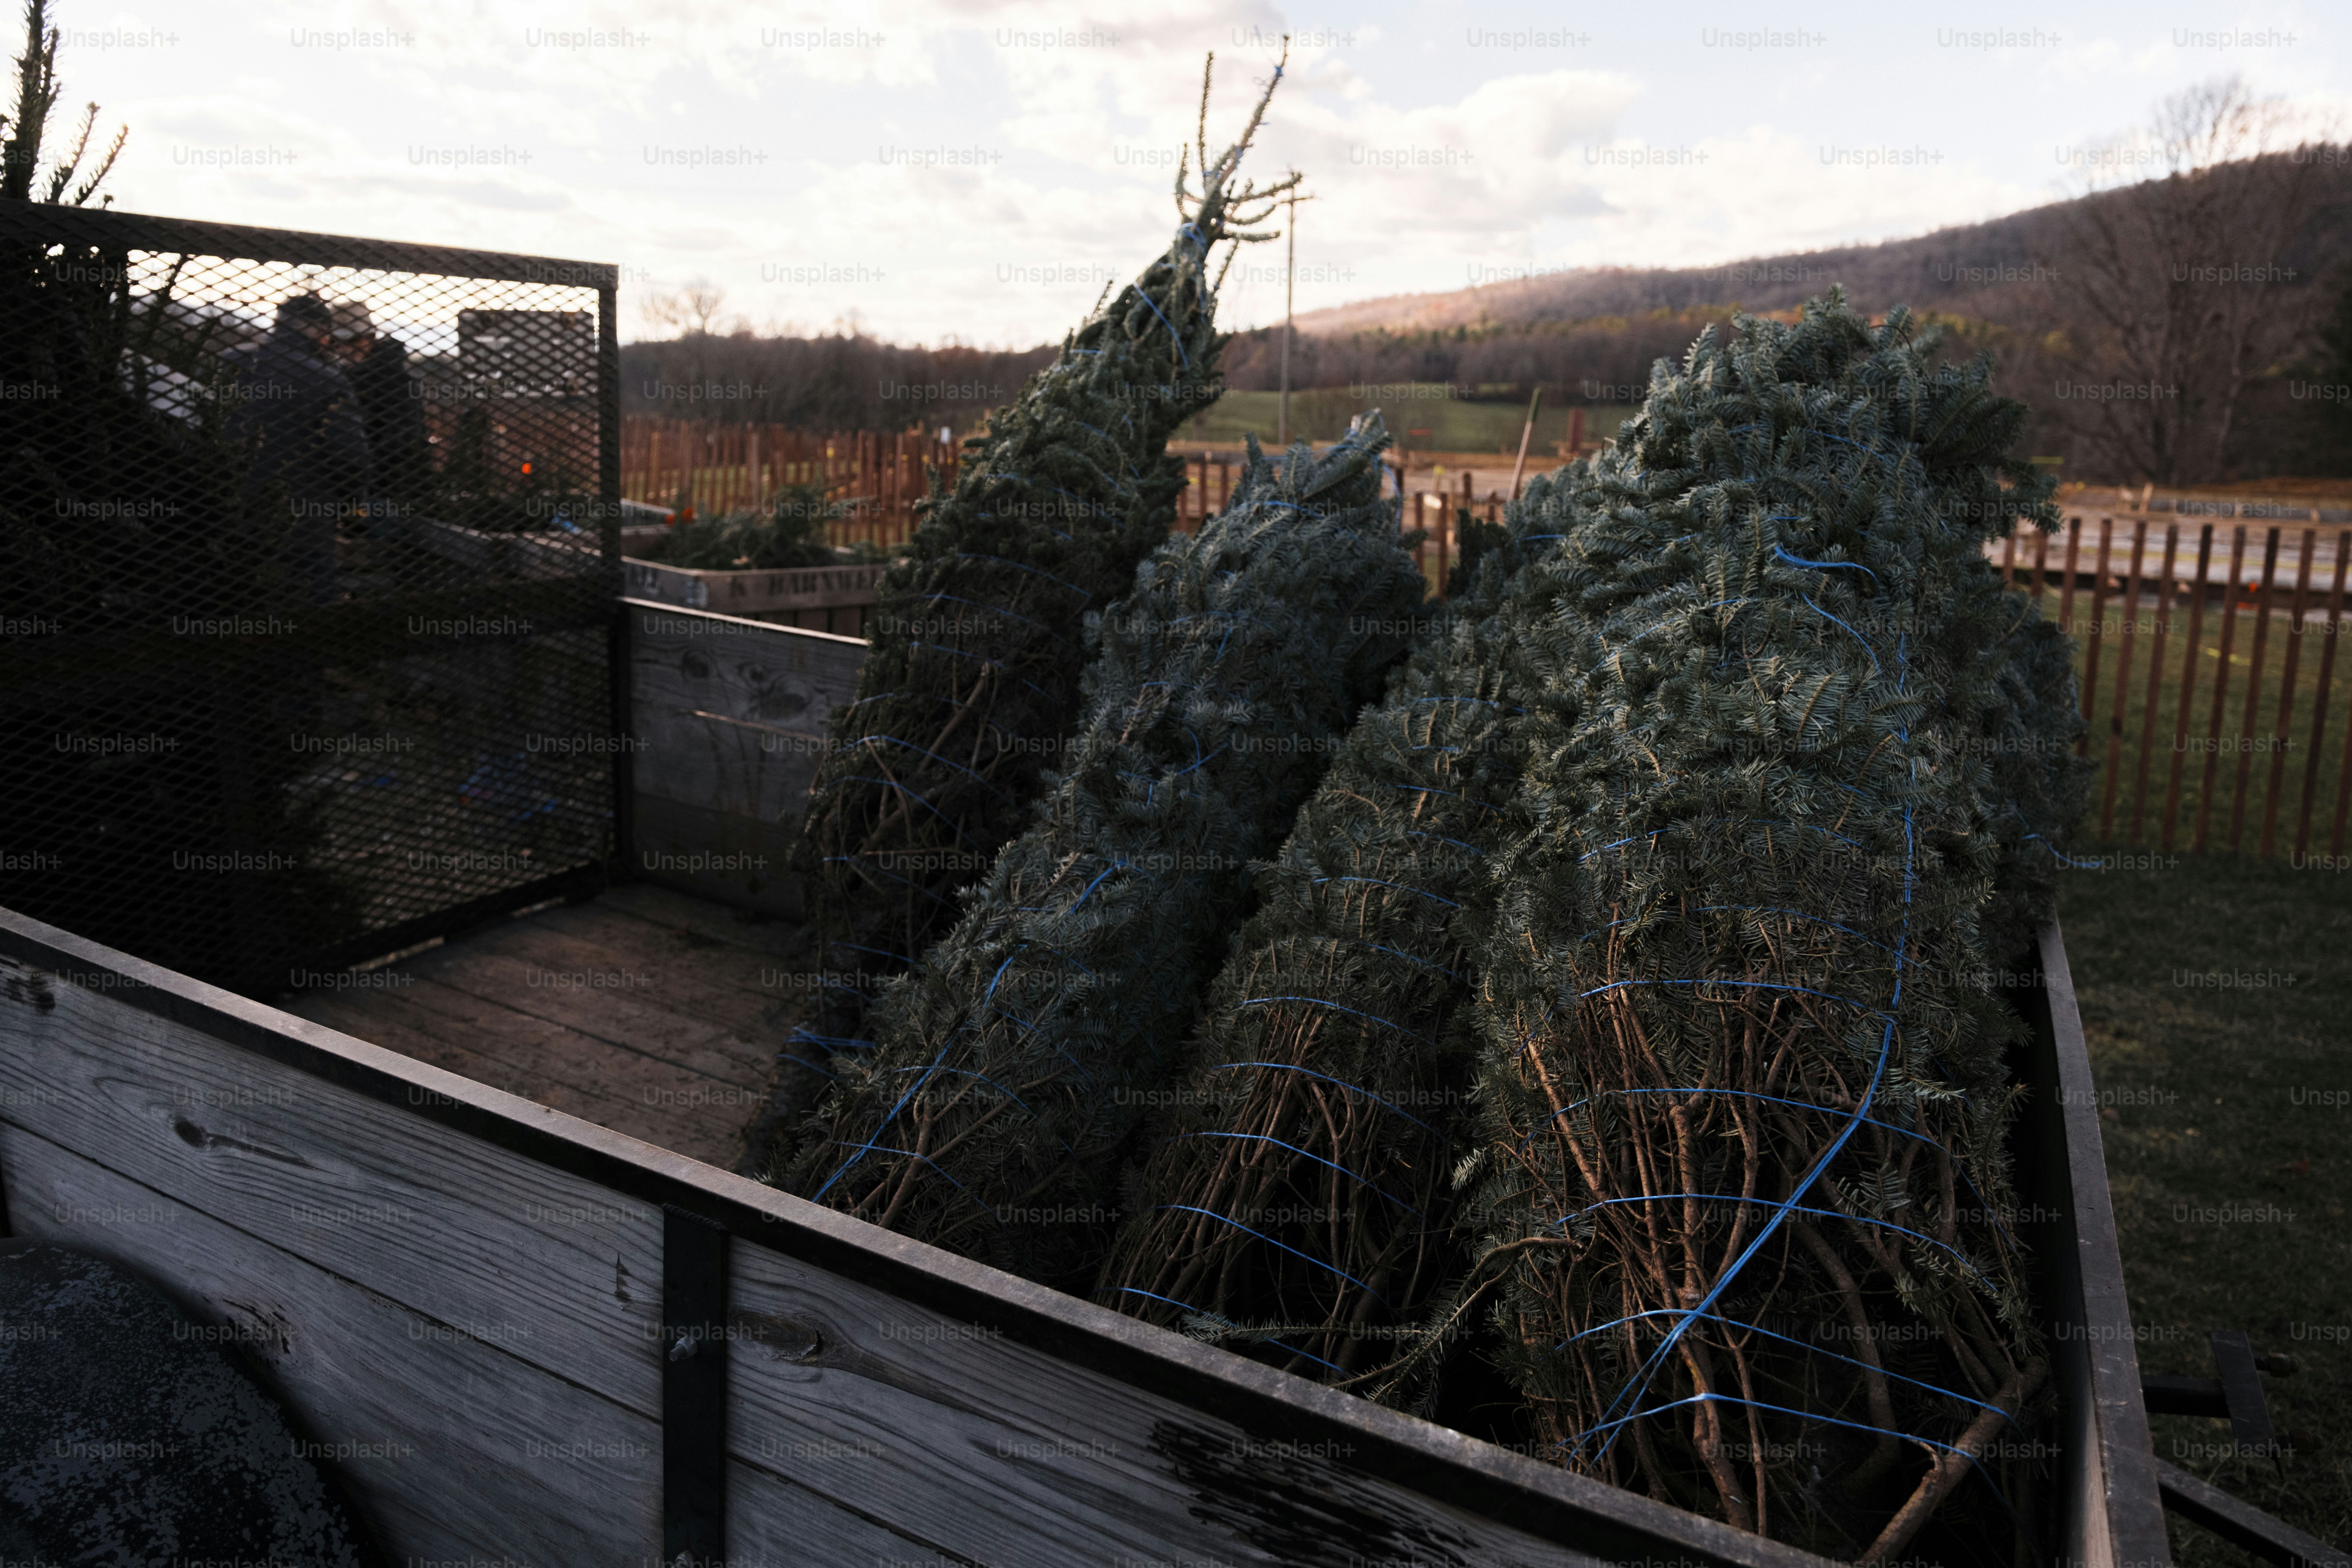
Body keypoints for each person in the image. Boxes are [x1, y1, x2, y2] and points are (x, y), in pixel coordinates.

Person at [220, 291, 372, 605]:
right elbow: (349, 454)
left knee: (234, 595)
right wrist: (353, 502)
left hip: (225, 501)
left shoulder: (231, 362)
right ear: (318, 330)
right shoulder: (328, 379)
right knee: (308, 600)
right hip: (305, 509)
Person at [329, 300, 431, 529]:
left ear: (371, 338)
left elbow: (401, 439)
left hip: (385, 490)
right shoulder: (337, 376)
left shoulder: (396, 380)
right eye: (338, 342)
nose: (345, 349)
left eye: (353, 341)